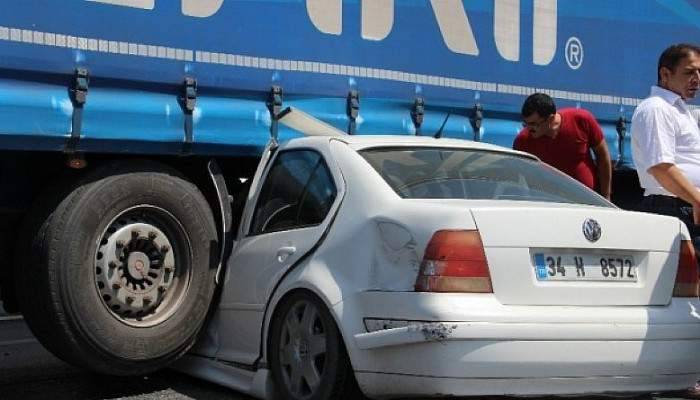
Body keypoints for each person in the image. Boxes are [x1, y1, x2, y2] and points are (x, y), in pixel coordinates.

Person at [631, 43, 700, 241]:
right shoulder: (656, 109)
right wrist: (696, 200)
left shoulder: (680, 110)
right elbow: (661, 167)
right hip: (674, 209)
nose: (697, 79)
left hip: (686, 206)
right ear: (665, 74)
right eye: (689, 72)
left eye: (699, 72)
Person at [513, 93, 612, 199]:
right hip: (550, 204)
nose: (528, 128)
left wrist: (606, 196)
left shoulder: (581, 120)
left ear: (550, 119)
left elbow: (603, 155)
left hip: (587, 201)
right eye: (525, 123)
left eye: (533, 124)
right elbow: (517, 176)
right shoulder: (523, 141)